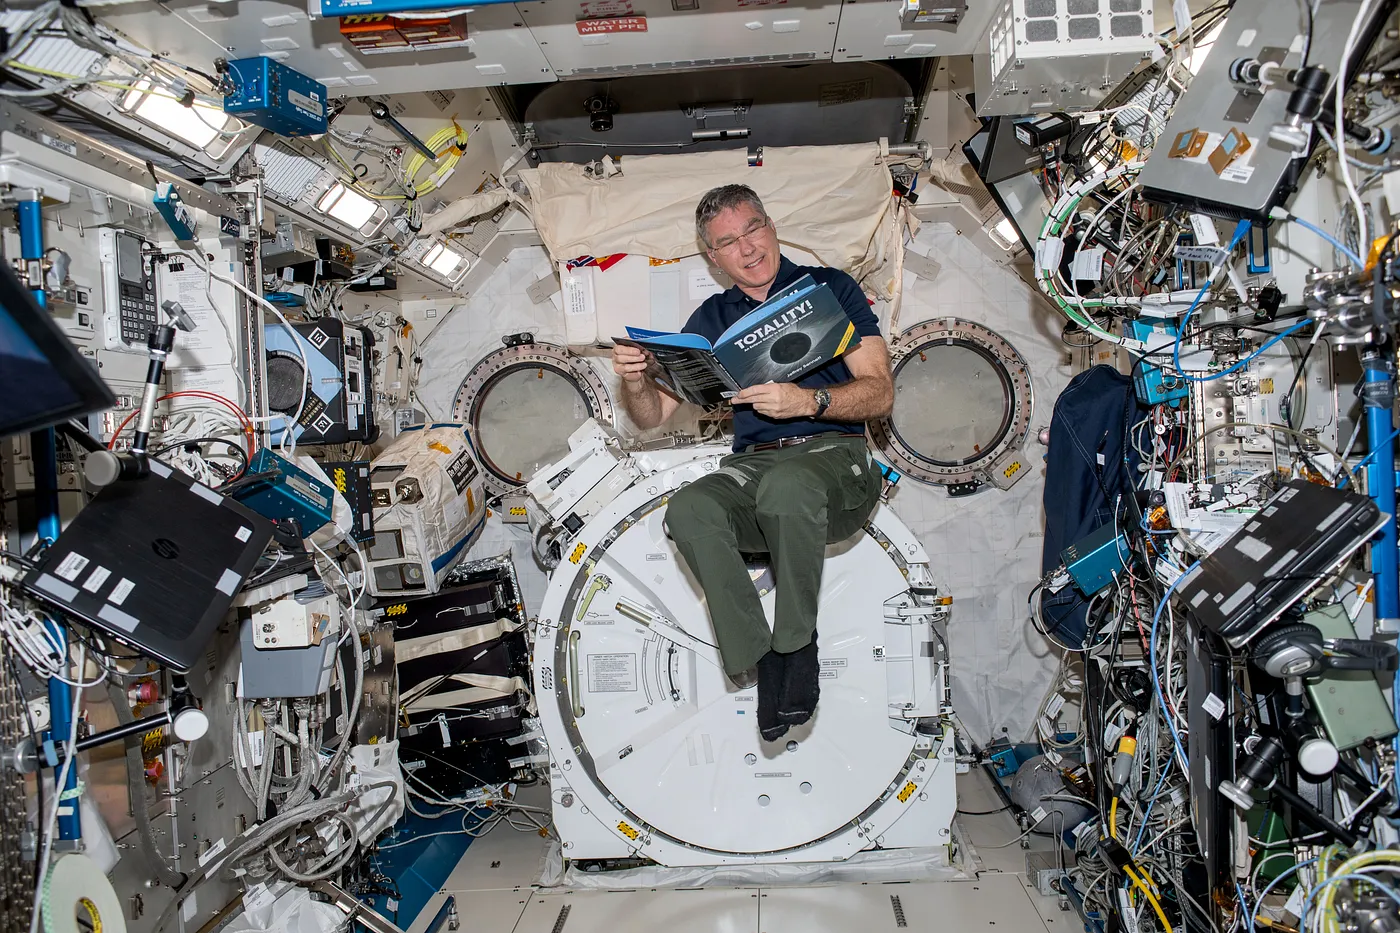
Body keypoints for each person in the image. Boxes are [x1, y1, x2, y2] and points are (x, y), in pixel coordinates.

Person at [610, 184, 894, 742]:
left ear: (771, 225)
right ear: (713, 258)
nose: (748, 248)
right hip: (755, 466)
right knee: (689, 508)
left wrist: (807, 400)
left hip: (835, 459)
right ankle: (761, 658)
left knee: (787, 485)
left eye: (753, 229)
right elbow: (650, 417)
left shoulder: (830, 289)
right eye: (727, 242)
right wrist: (635, 379)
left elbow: (881, 392)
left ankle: (795, 645)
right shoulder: (708, 320)